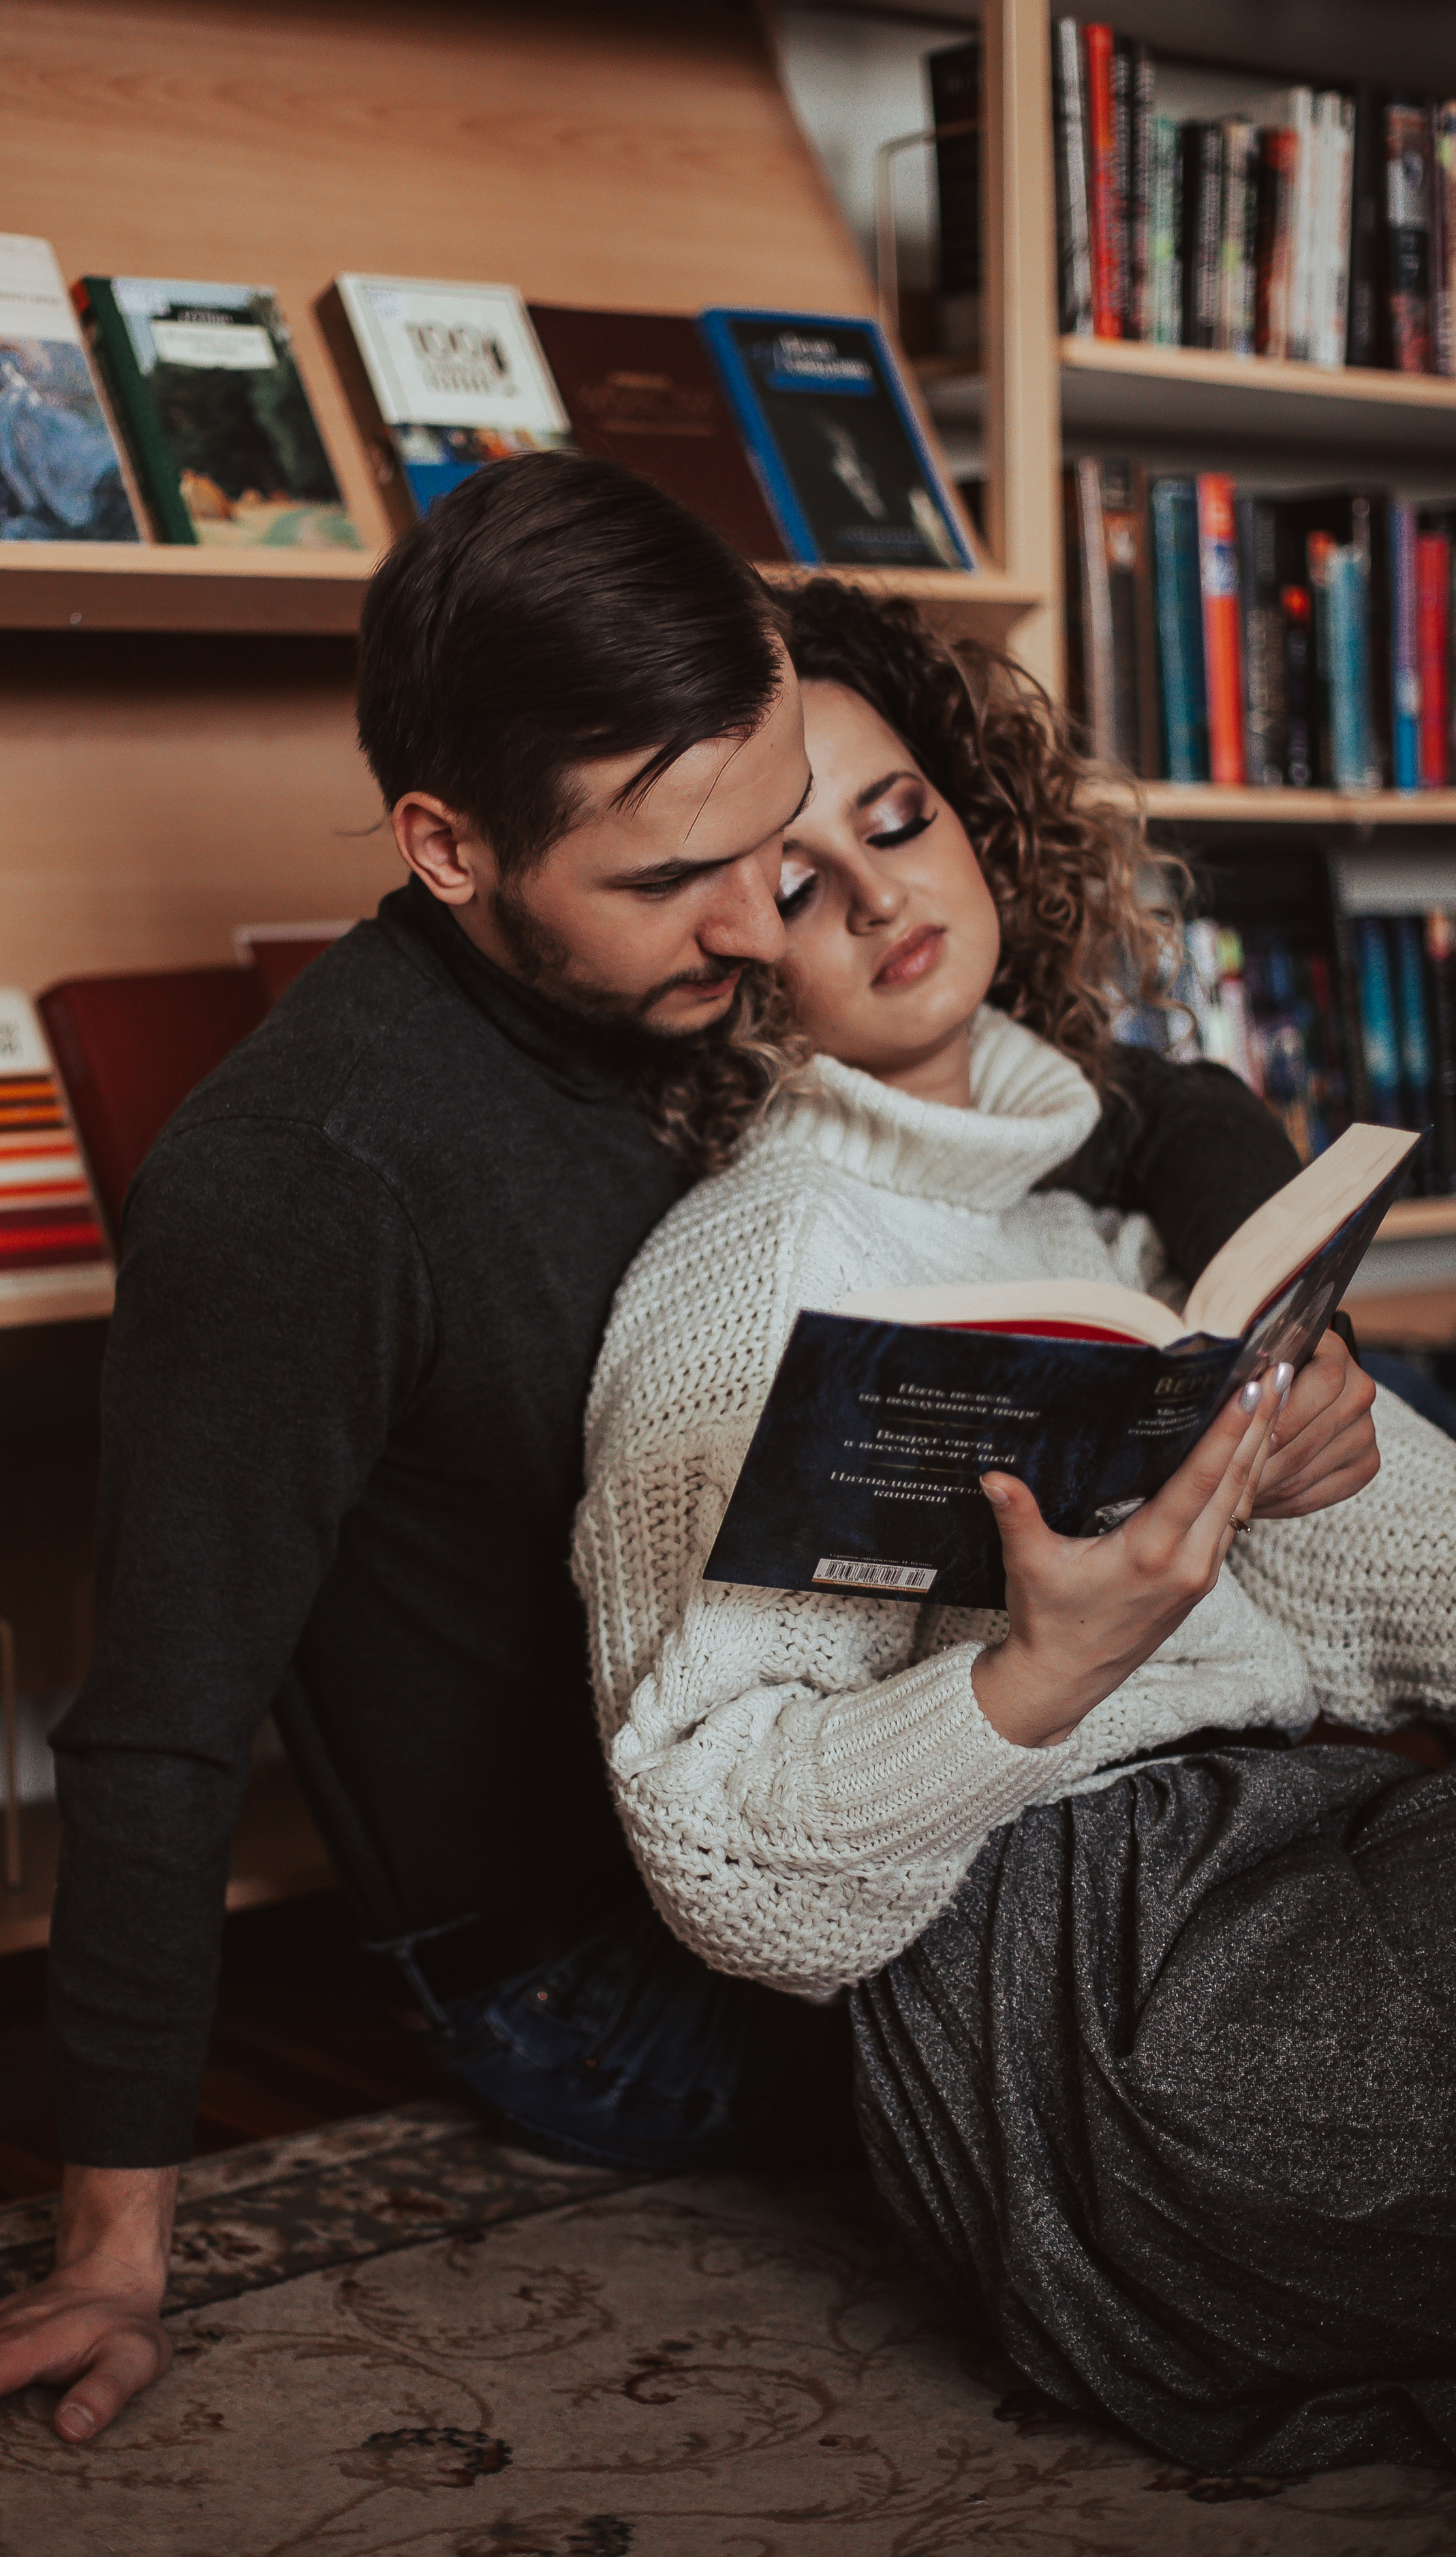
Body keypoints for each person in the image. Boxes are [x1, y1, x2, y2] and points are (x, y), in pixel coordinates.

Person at [0, 460, 1375, 2465]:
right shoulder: (300, 1181)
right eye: (670, 879)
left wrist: (1287, 1320)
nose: (758, 918)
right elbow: (158, 1727)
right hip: (618, 1968)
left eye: (775, 839)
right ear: (449, 847)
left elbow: (1135, 1104)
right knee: (1254, 1976)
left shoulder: (701, 979)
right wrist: (109, 2248)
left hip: (876, 1780)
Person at [574, 572, 1456, 2477]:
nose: (886, 893)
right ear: (727, 951)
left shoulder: (1092, 1228)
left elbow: (1394, 1580)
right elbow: (718, 1857)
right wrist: (1038, 1674)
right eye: (800, 881)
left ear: (977, 822)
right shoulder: (756, 1270)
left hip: (1312, 1844)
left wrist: (1343, 1447)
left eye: (896, 821)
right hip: (1100, 2004)